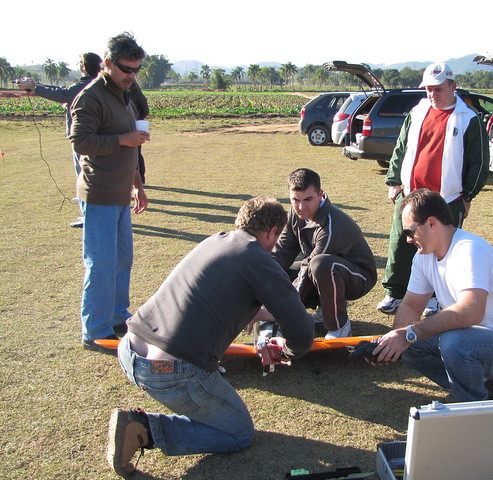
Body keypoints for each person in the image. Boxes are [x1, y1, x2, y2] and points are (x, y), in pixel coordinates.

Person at [108, 196, 315, 477]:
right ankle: (145, 430)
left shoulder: (216, 241)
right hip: (169, 372)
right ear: (273, 233)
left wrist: (255, 313)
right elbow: (303, 331)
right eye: (277, 239)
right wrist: (286, 350)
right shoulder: (258, 258)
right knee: (239, 433)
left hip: (130, 349)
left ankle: (151, 423)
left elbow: (209, 296)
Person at [370, 189, 493, 402]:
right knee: (409, 345)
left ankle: (471, 405)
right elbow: (412, 305)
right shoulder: (424, 256)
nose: (408, 240)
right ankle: (480, 385)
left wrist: (409, 334)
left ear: (431, 223)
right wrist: (393, 343)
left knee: (453, 341)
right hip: (473, 338)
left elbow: (471, 312)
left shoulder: (469, 249)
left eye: (410, 232)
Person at [377, 62, 490, 315]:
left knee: (442, 250)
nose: (432, 94)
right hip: (410, 195)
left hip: (446, 199)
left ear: (453, 86)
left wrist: (468, 195)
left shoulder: (468, 119)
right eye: (428, 89)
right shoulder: (418, 112)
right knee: (401, 244)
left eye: (438, 89)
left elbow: (479, 161)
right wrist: (395, 180)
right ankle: (395, 293)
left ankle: (437, 297)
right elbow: (401, 146)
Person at [68, 32, 149, 353]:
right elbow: (80, 142)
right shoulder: (91, 97)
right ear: (107, 63)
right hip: (99, 192)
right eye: (126, 69)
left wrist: (138, 186)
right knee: (100, 264)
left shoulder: (123, 94)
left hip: (120, 193)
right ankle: (95, 330)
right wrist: (123, 140)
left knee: (122, 260)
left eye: (136, 70)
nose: (131, 76)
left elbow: (131, 146)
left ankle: (117, 315)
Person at [272, 168, 377, 339]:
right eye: (295, 200)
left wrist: (284, 310)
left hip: (359, 277)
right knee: (280, 272)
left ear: (320, 194)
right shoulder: (293, 215)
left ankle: (339, 326)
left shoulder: (333, 223)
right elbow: (281, 253)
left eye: (308, 199)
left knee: (320, 265)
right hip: (322, 269)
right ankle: (324, 310)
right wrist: (261, 290)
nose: (301, 206)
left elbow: (311, 266)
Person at [15, 52, 102, 227]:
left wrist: (35, 88)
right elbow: (65, 93)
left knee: (84, 177)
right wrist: (36, 86)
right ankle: (89, 214)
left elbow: (64, 94)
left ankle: (89, 216)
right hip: (92, 137)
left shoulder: (86, 85)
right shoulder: (94, 84)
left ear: (84, 66)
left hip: (84, 138)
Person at [128, 81, 149, 184]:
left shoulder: (135, 93)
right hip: (126, 127)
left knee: (136, 154)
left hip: (135, 127)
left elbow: (145, 110)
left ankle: (140, 180)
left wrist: (138, 118)